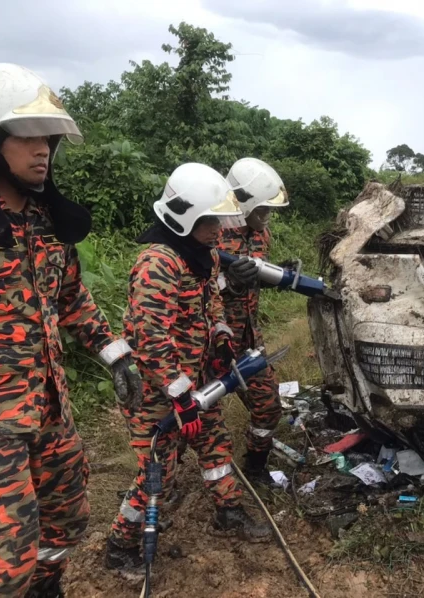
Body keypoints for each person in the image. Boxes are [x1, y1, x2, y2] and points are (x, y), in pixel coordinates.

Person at [0, 63, 142, 597]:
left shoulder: (42, 224)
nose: (43, 150)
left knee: (67, 519)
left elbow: (71, 299)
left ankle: (47, 588)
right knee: (1, 570)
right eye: (29, 136)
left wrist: (115, 353)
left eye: (50, 139)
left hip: (49, 408)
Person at [105, 162, 272, 577]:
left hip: (194, 381)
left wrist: (219, 334)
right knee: (159, 472)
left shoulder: (203, 255)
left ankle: (228, 511)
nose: (219, 228)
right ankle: (120, 545)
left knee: (216, 443)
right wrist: (180, 396)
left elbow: (210, 302)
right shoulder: (158, 262)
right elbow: (150, 337)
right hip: (155, 392)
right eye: (210, 220)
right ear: (185, 218)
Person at [217, 157, 289, 483]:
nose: (266, 217)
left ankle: (256, 469)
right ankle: (156, 488)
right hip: (209, 344)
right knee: (188, 420)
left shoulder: (262, 236)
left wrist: (282, 275)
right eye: (262, 210)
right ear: (243, 204)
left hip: (248, 341)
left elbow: (257, 277)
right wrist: (226, 284)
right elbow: (188, 288)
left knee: (269, 405)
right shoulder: (210, 231)